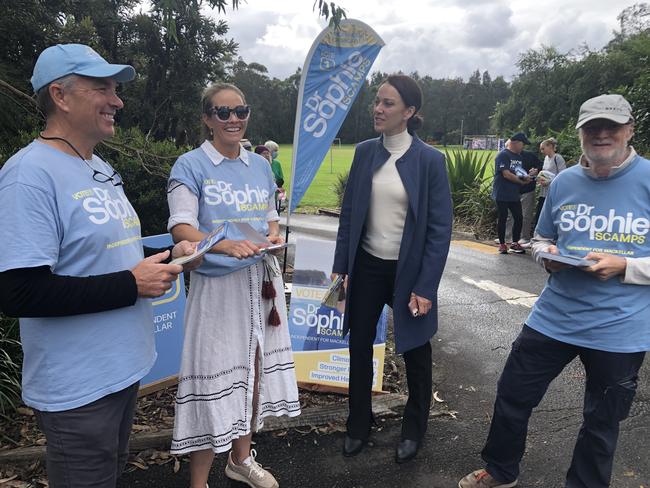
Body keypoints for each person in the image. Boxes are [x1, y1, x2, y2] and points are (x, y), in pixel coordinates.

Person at [0, 43, 198, 487]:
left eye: (116, 88)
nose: (118, 100)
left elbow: (108, 257)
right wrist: (131, 285)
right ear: (60, 95)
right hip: (77, 389)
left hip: (123, 370)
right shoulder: (28, 176)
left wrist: (167, 259)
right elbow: (18, 292)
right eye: (102, 88)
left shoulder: (99, 166)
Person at [459, 93, 649, 488]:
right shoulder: (564, 182)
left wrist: (625, 266)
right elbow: (541, 237)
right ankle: (500, 470)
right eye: (591, 127)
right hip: (554, 317)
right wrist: (547, 256)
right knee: (513, 395)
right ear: (580, 134)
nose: (601, 134)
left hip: (620, 330)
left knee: (601, 423)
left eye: (610, 127)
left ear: (629, 130)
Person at [167, 83, 300, 488]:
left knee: (255, 368)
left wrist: (274, 237)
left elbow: (269, 218)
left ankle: (240, 459)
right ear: (207, 119)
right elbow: (181, 227)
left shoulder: (259, 166)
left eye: (240, 110)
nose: (234, 119)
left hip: (261, 280)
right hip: (217, 285)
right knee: (213, 375)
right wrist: (225, 243)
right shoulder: (190, 165)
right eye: (223, 112)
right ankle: (199, 480)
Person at [332, 74, 453, 464]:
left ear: (410, 112)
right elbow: (349, 215)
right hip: (367, 266)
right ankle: (358, 425)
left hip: (409, 272)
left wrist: (426, 286)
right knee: (359, 346)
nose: (378, 108)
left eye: (388, 103)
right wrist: (341, 267)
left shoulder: (430, 160)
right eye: (377, 101)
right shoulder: (366, 151)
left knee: (416, 351)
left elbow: (439, 229)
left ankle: (414, 429)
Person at [491, 133, 533, 254]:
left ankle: (515, 243)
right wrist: (521, 182)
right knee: (503, 217)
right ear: (515, 142)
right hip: (502, 192)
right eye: (522, 144)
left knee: (519, 217)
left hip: (514, 193)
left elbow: (517, 172)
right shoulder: (503, 155)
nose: (523, 147)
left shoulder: (519, 157)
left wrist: (526, 177)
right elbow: (506, 174)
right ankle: (503, 244)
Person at [533, 137, 566, 229]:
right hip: (543, 192)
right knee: (540, 213)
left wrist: (549, 181)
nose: (542, 151)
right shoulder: (546, 158)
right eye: (541, 149)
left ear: (550, 147)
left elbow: (562, 175)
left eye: (543, 149)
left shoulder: (558, 158)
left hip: (554, 192)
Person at [517, 149, 542, 247]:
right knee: (511, 215)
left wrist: (536, 170)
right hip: (513, 190)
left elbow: (541, 165)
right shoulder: (508, 156)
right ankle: (509, 236)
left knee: (525, 214)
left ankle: (525, 237)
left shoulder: (529, 155)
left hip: (527, 189)